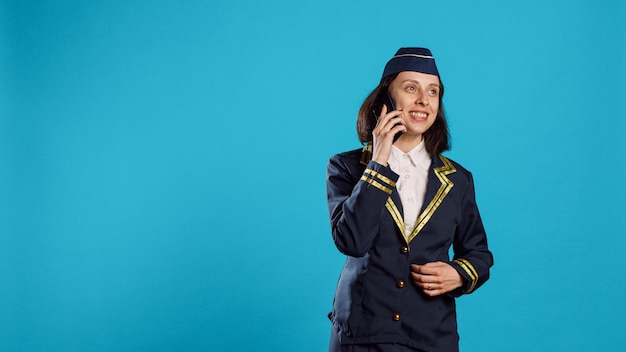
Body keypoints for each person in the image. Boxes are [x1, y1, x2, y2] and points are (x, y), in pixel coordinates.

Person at [325, 47, 494, 352]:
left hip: (432, 338)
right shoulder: (346, 167)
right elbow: (351, 241)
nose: (423, 101)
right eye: (411, 88)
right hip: (362, 338)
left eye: (433, 92)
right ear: (385, 99)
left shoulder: (458, 179)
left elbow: (479, 254)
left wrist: (458, 273)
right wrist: (379, 162)